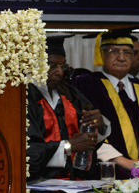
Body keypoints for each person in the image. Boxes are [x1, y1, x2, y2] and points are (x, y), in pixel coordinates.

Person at [71, 28, 139, 180]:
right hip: (108, 170)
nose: (121, 58)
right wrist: (124, 162)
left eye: (127, 52)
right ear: (102, 54)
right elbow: (85, 132)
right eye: (114, 51)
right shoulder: (86, 85)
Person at [26, 34, 110, 182]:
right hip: (36, 185)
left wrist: (99, 125)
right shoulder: (23, 99)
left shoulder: (71, 94)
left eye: (62, 66)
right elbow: (25, 153)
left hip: (75, 182)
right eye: (52, 66)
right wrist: (68, 146)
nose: (59, 72)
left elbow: (88, 139)